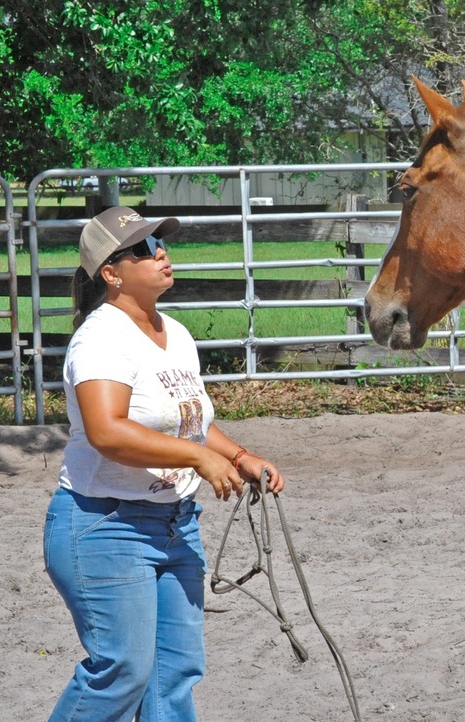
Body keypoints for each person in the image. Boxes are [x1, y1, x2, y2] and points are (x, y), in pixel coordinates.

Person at [44, 206, 285, 721]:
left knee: (173, 674)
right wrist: (197, 457)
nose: (160, 252)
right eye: (142, 248)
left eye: (159, 243)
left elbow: (189, 421)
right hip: (107, 526)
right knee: (122, 671)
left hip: (176, 525)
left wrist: (238, 456)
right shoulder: (101, 338)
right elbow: (107, 431)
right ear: (111, 273)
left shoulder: (173, 333)